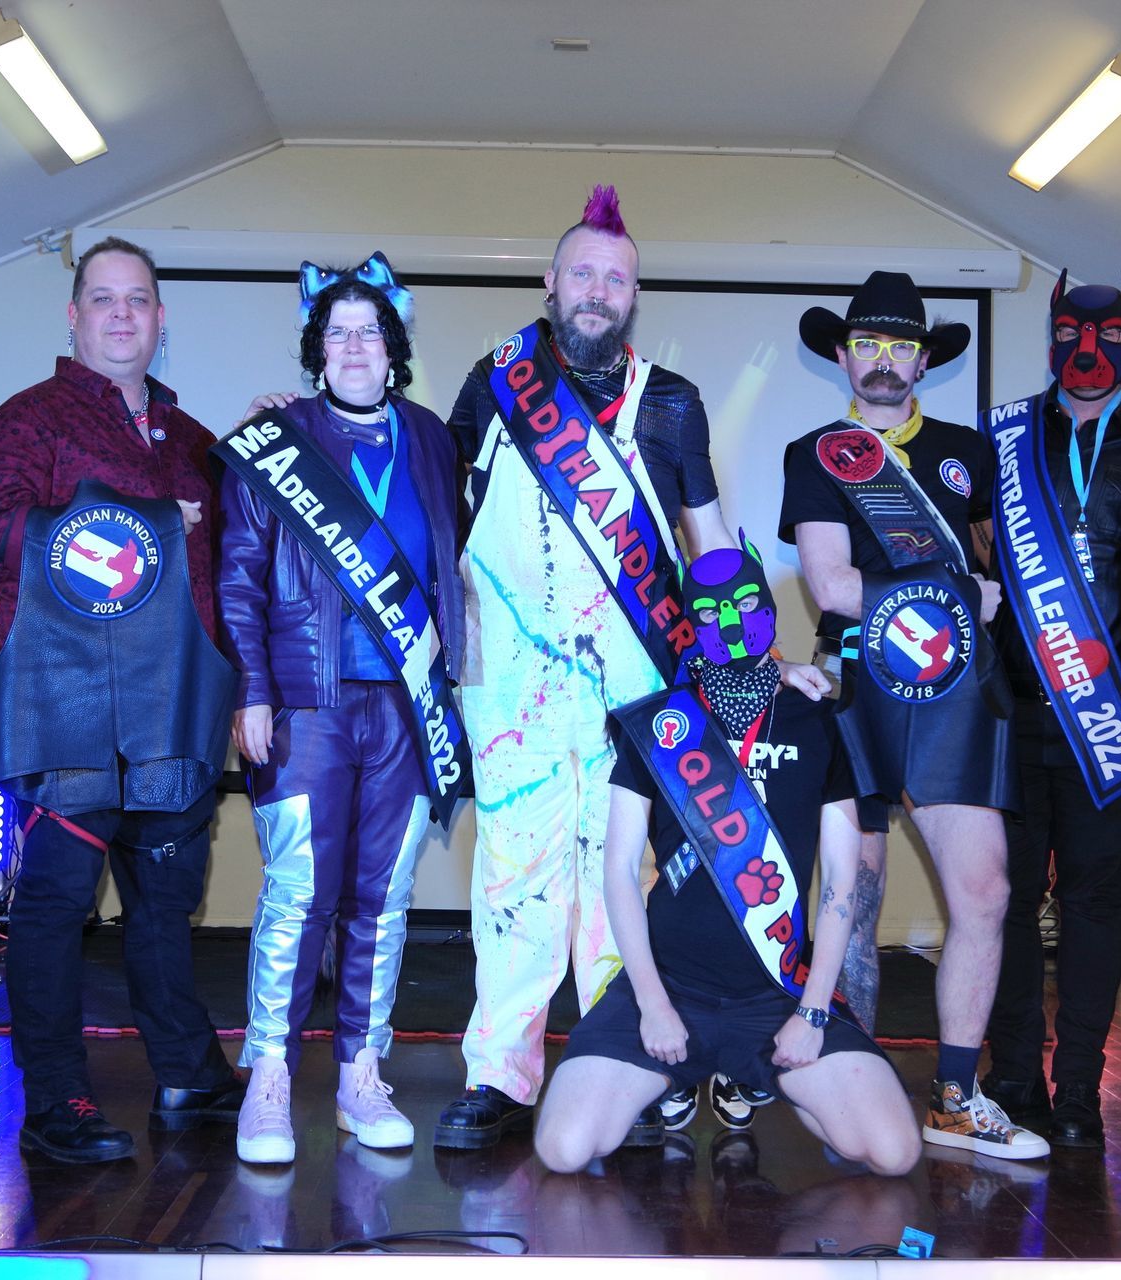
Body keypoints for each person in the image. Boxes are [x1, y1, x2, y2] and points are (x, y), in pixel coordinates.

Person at [435, 185, 814, 1149]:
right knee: (513, 881)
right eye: (583, 274)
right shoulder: (494, 382)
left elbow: (711, 546)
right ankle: (501, 1073)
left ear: (634, 295)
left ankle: (627, 1067)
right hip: (511, 684)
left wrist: (764, 661)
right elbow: (437, 508)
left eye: (616, 278)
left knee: (622, 883)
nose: (598, 291)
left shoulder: (673, 405)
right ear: (550, 281)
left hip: (635, 686)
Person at [0, 236, 242, 1163]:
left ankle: (188, 1074)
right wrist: (141, 524)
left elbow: (227, 570)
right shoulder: (29, 420)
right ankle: (56, 1101)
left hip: (172, 711)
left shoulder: (194, 440)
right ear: (73, 315)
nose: (123, 314)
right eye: (105, 298)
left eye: (139, 299)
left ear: (161, 319)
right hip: (68, 710)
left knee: (164, 903)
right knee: (55, 906)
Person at [534, 539, 920, 1177]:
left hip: (779, 991)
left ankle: (754, 1075)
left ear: (769, 607)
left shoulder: (820, 720)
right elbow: (619, 874)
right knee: (564, 1148)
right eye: (711, 613)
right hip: (670, 988)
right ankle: (673, 1078)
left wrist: (813, 1012)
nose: (731, 622)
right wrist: (653, 1005)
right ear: (691, 624)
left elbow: (840, 883)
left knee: (892, 1151)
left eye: (744, 604)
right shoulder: (661, 725)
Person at [780, 270, 1045, 1160]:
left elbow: (1001, 576)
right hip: (855, 687)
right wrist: (956, 594)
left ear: (925, 359)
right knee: (851, 898)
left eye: (901, 345)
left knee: (986, 891)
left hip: (953, 694)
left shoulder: (970, 452)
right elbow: (832, 587)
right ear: (843, 354)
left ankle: (956, 1097)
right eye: (868, 343)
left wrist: (975, 594)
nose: (884, 360)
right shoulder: (816, 453)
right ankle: (844, 1078)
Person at [215, 254, 468, 1162]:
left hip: (407, 704)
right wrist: (251, 688)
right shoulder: (274, 440)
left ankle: (362, 1074)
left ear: (393, 347)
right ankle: (270, 1079)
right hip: (305, 702)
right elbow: (238, 575)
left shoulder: (432, 437)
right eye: (337, 333)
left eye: (369, 331)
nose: (354, 346)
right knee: (299, 895)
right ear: (316, 351)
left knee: (384, 898)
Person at [976, 270, 1121, 1148]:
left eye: (1106, 335)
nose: (1088, 350)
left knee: (1095, 899)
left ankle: (1078, 1091)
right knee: (1009, 898)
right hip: (1016, 713)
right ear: (1051, 335)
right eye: (1069, 332)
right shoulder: (1005, 435)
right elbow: (977, 547)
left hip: (1117, 717)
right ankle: (1015, 1075)